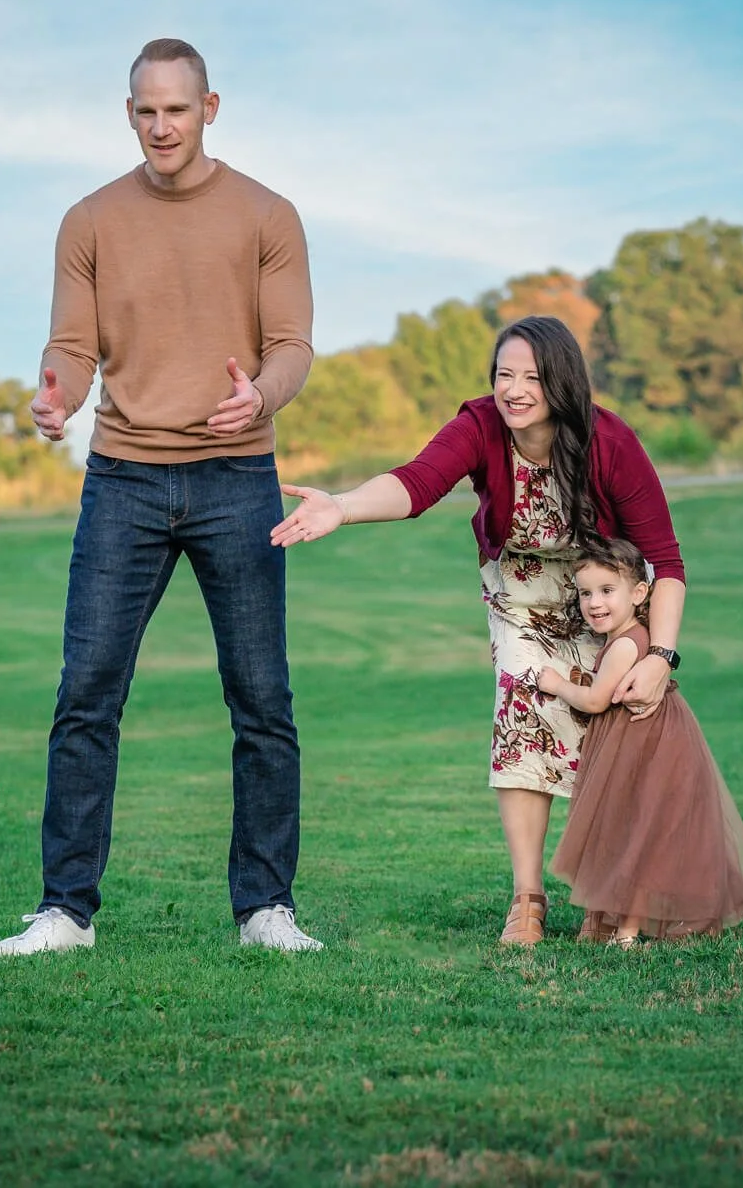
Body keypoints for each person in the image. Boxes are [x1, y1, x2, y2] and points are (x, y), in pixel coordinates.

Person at [0, 37, 321, 956]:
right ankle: (65, 910)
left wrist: (263, 391)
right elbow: (73, 345)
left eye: (177, 108)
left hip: (238, 476)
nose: (161, 125)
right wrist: (57, 392)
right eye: (145, 110)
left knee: (261, 696)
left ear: (209, 108)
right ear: (128, 112)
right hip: (123, 479)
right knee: (87, 692)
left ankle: (266, 909)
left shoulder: (268, 214)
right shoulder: (89, 219)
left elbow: (291, 344)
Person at [274, 315, 686, 946]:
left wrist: (659, 654)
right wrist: (344, 506)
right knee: (523, 717)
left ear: (562, 382)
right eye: (504, 374)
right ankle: (528, 899)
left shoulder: (609, 441)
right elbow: (417, 483)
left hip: (601, 602)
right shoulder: (479, 426)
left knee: (610, 730)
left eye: (532, 376)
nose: (514, 389)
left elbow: (664, 558)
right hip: (519, 601)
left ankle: (615, 898)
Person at [539, 538, 743, 944]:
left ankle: (625, 931)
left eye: (607, 591)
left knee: (634, 833)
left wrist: (556, 683)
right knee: (644, 833)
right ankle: (623, 927)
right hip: (659, 738)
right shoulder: (638, 635)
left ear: (639, 593)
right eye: (585, 592)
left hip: (640, 746)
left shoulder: (624, 644)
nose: (594, 602)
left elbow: (595, 700)